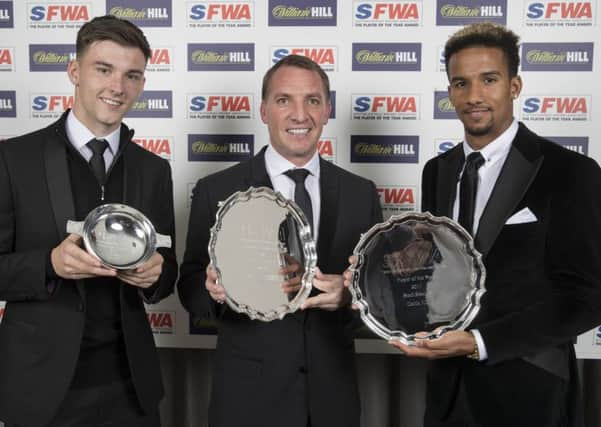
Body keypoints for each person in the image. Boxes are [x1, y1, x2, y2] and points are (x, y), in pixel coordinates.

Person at [384, 22, 601, 427]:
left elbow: (587, 297)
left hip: (529, 389)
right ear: (449, 91)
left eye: (489, 80)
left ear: (515, 85)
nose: (474, 96)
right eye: (460, 83)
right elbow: (439, 274)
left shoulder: (569, 171)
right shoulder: (438, 171)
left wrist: (480, 342)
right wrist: (381, 276)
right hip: (448, 389)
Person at [178, 54, 382, 427]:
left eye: (313, 101)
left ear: (327, 111)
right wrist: (213, 290)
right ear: (263, 110)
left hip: (331, 401)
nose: (299, 115)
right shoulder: (217, 189)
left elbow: (380, 298)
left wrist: (349, 297)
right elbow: (189, 289)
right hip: (247, 401)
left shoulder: (361, 193)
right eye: (284, 100)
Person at [0, 15, 177, 427]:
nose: (118, 87)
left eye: (132, 75)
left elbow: (167, 275)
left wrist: (154, 275)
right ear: (74, 71)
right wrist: (49, 265)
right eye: (104, 69)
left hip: (131, 389)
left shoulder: (154, 170)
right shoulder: (14, 160)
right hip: (41, 389)